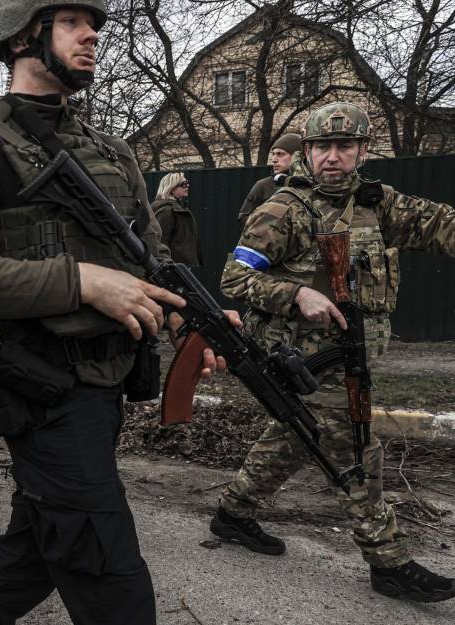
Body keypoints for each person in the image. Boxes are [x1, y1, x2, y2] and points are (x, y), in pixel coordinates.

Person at [0, 2, 228, 623]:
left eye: (95, 26)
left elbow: (152, 263)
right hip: (40, 390)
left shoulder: (112, 153)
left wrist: (192, 318)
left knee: (36, 542)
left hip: (104, 385)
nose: (91, 37)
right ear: (24, 36)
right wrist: (81, 281)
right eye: (70, 23)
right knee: (111, 578)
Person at [214, 102, 455, 602]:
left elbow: (438, 225)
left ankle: (232, 515)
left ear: (363, 151)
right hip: (305, 360)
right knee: (357, 454)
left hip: (352, 357)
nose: (332, 157)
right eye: (322, 146)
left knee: (291, 439)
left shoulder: (377, 203)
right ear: (307, 150)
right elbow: (235, 277)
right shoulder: (284, 210)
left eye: (344, 146)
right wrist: (296, 293)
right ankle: (388, 563)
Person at [238, 132, 302, 226]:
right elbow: (243, 218)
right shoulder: (263, 185)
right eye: (273, 154)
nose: (274, 159)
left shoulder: (310, 184)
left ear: (297, 156)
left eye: (280, 154)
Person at [151, 172, 202, 267]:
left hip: (180, 265)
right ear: (172, 188)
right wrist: (167, 264)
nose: (187, 186)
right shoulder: (167, 210)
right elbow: (159, 240)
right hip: (171, 266)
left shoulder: (179, 208)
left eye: (187, 182)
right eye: (184, 184)